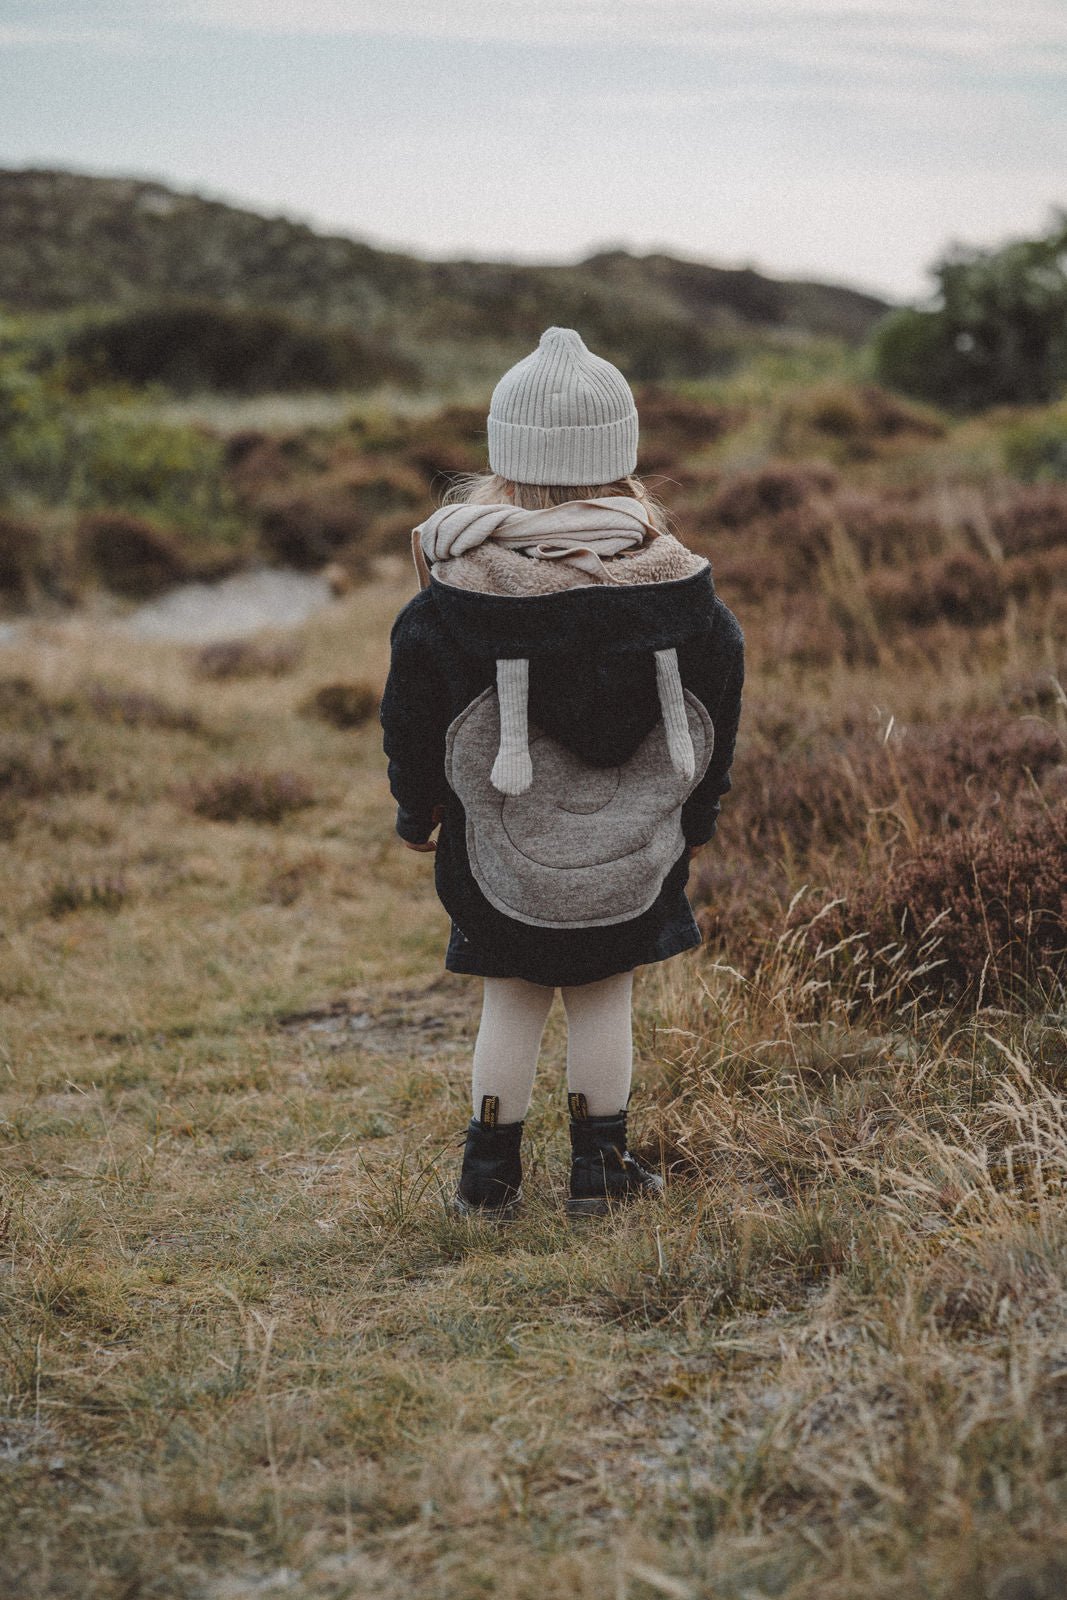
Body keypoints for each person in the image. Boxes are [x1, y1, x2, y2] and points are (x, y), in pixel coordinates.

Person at [380, 327, 744, 1218]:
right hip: (633, 853)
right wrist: (696, 819)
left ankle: (487, 1179)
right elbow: (717, 712)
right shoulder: (683, 595)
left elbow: (411, 721)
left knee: (509, 1000)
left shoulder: (451, 595)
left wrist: (415, 810)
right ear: (620, 459)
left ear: (504, 459)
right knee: (600, 999)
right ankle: (600, 1171)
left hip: (497, 858)